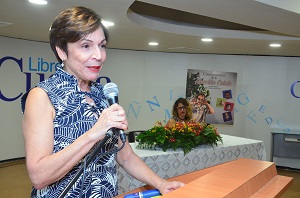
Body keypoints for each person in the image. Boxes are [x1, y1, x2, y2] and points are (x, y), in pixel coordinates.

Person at [21, 6, 184, 198]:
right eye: (86, 46)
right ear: (61, 51)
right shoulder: (42, 96)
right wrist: (94, 134)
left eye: (102, 45)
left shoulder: (101, 94)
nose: (99, 55)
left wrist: (161, 184)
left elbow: (126, 156)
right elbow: (39, 176)